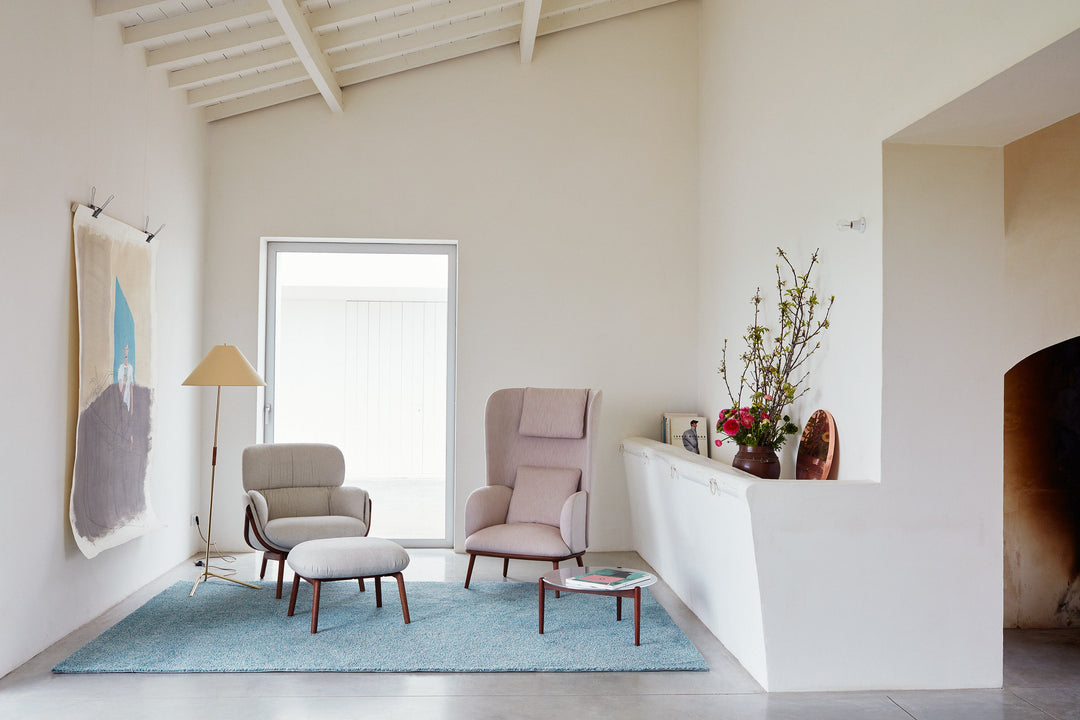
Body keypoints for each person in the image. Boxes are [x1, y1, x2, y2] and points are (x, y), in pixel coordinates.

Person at [117, 343, 134, 415]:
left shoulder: (130, 368)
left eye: (127, 349)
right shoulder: (121, 368)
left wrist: (132, 406)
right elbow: (120, 384)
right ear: (123, 351)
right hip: (122, 395)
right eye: (124, 349)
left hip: (128, 396)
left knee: (127, 412)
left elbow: (131, 385)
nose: (126, 351)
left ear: (128, 351)